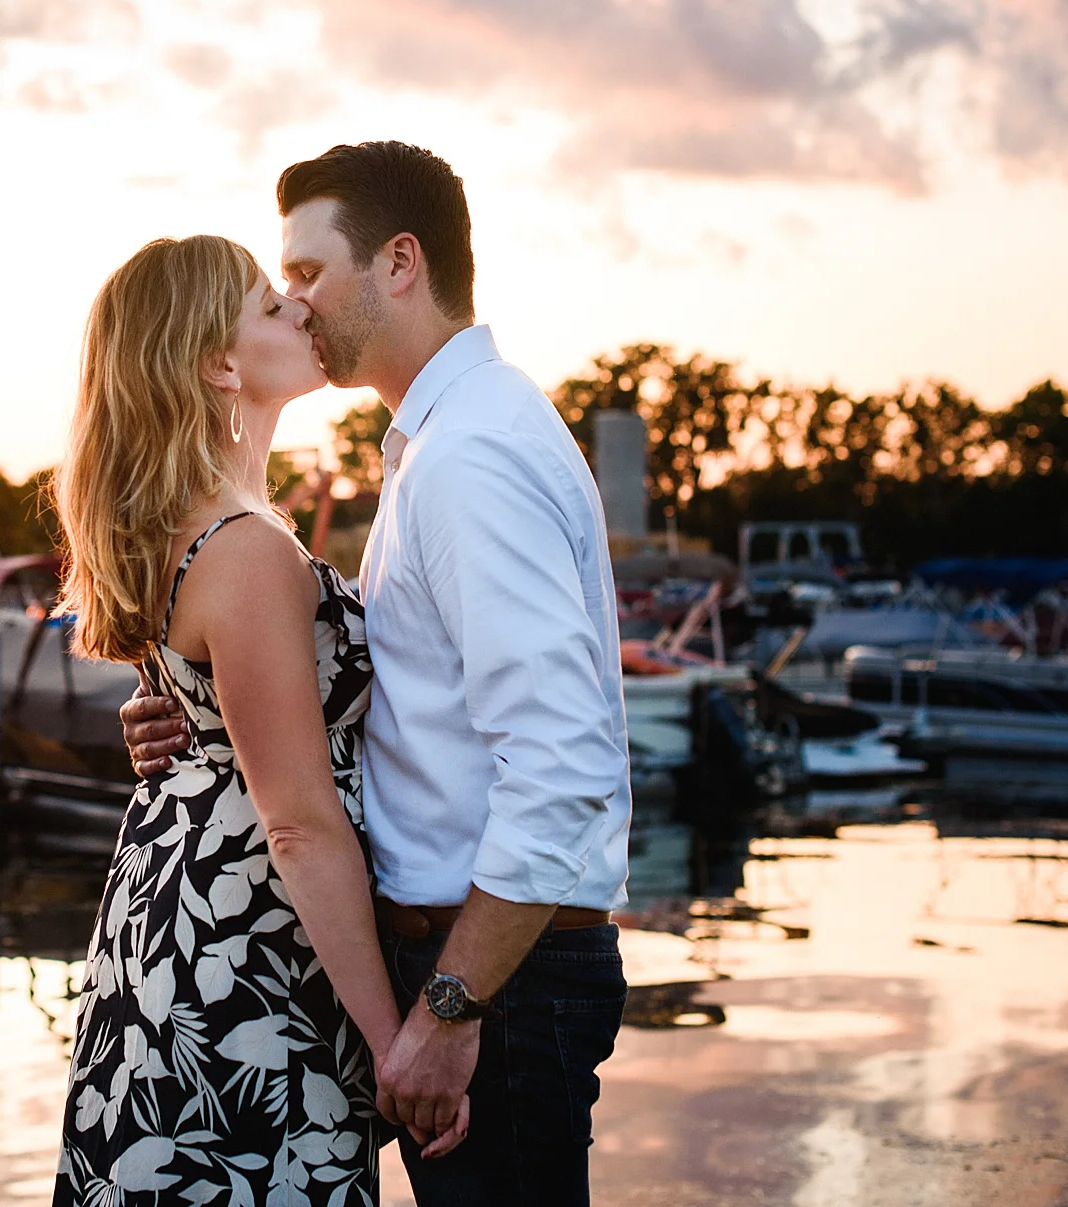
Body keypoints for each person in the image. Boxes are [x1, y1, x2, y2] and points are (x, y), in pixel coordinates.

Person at [121, 142, 633, 1206]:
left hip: (495, 976)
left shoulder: (470, 455)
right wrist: (196, 711)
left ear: (398, 263)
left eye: (306, 274)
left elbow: (559, 755)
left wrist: (447, 1010)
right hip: (464, 966)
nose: (296, 305)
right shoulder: (434, 444)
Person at [51, 234, 467, 1207]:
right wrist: (390, 1043)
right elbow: (297, 819)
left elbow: (213, 729)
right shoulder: (244, 548)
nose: (298, 307)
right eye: (268, 304)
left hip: (178, 920)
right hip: (246, 956)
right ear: (220, 362)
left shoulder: (190, 528)